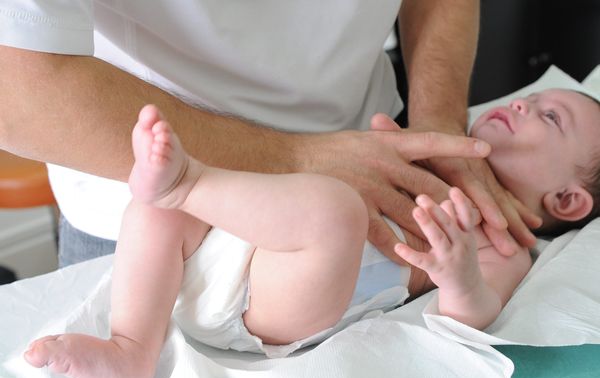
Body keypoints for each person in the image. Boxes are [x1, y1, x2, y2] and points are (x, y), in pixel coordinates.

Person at [24, 88, 600, 378]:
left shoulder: (503, 240)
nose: (523, 102)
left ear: (568, 201)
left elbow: (473, 316)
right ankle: (131, 351)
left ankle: (188, 181)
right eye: (534, 98)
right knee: (151, 209)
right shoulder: (433, 160)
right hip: (224, 252)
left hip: (282, 302)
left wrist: (458, 276)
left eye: (551, 117)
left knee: (335, 212)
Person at [0, 1, 540, 270]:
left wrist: (438, 123)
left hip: (380, 183)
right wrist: (297, 158)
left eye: (555, 117)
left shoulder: (492, 245)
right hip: (152, 218)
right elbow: (17, 92)